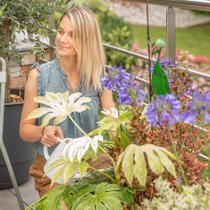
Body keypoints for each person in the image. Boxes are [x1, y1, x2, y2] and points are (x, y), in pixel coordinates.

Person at [19, 7, 114, 200]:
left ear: (87, 40)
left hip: (92, 165)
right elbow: (24, 130)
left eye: (72, 35)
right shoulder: (39, 76)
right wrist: (43, 131)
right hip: (52, 168)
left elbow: (114, 126)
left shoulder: (99, 77)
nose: (61, 39)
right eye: (61, 31)